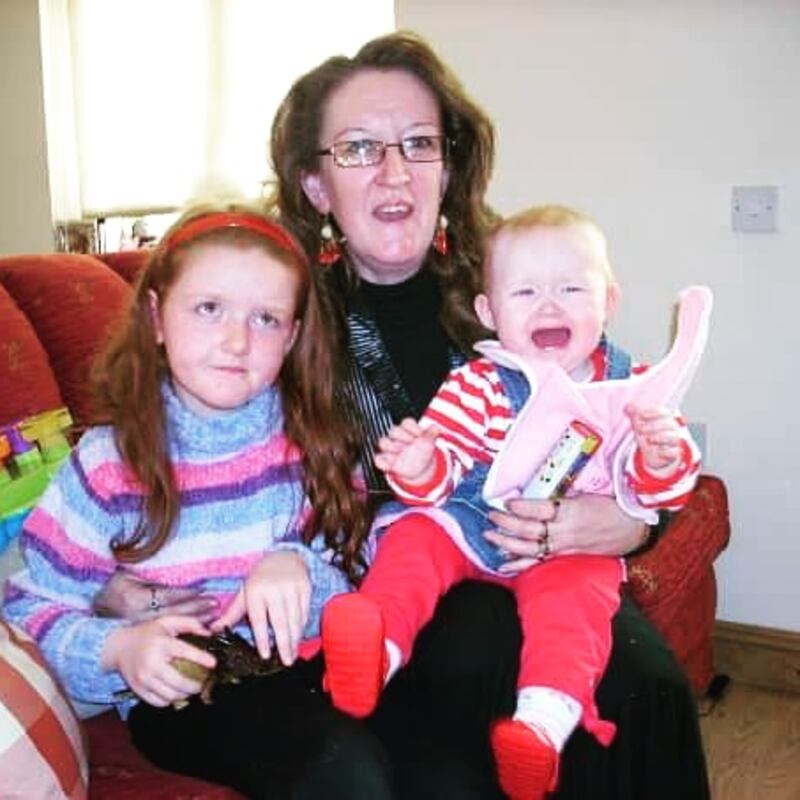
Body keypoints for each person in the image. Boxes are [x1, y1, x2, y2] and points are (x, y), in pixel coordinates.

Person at [95, 31, 711, 799]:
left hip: (541, 569)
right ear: (317, 185)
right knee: (501, 652)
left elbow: (619, 409)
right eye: (358, 148)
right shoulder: (272, 308)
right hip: (377, 594)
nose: (394, 170)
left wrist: (629, 521)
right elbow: (155, 455)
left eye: (418, 143)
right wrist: (124, 588)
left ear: (447, 166)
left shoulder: (513, 277)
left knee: (645, 682)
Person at [2, 205, 394, 800]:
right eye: (209, 309)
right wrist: (118, 649)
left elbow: (363, 570)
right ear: (158, 317)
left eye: (265, 318)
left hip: (314, 665)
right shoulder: (111, 462)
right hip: (186, 697)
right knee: (347, 772)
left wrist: (300, 566)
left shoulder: (314, 443)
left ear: (290, 338)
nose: (236, 341)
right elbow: (30, 610)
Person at [320, 204, 707, 800]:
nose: (549, 305)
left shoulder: (633, 386)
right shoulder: (477, 383)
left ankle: (540, 729)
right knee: (413, 538)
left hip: (570, 544)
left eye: (571, 288)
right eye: (525, 292)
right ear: (488, 312)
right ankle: (376, 649)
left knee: (578, 609)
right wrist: (420, 466)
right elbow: (441, 463)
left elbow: (656, 491)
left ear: (608, 300)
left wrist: (658, 463)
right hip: (468, 521)